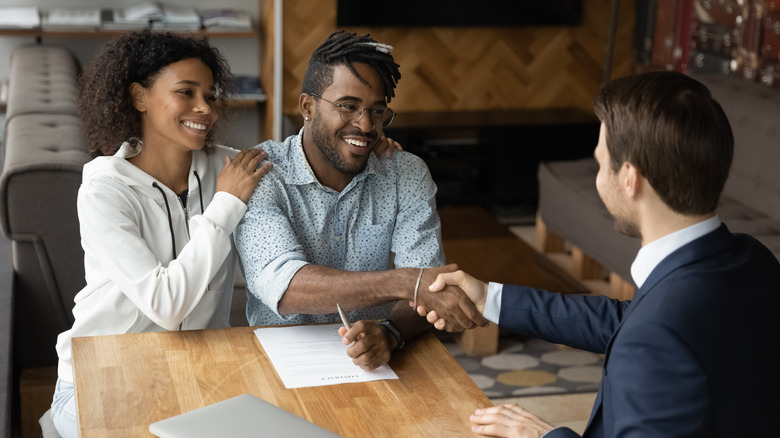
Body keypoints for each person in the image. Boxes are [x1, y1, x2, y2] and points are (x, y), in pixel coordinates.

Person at [419, 71, 780, 437]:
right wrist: (491, 299)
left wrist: (540, 435)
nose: (596, 176)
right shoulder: (753, 259)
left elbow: (650, 331)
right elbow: (631, 321)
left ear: (629, 178)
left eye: (600, 163)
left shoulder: (656, 335)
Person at [50, 30, 272, 437]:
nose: (204, 108)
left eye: (210, 93)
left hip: (196, 375)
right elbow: (166, 305)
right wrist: (225, 206)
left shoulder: (228, 169)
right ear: (139, 98)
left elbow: (302, 161)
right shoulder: (104, 189)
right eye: (185, 93)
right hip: (100, 381)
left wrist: (373, 151)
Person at [235, 30, 486, 370]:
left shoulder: (405, 173)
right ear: (308, 106)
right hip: (281, 364)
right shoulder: (261, 175)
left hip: (380, 366)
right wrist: (407, 282)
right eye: (349, 106)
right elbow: (286, 286)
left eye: (377, 111)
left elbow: (430, 290)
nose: (367, 125)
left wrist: (391, 332)